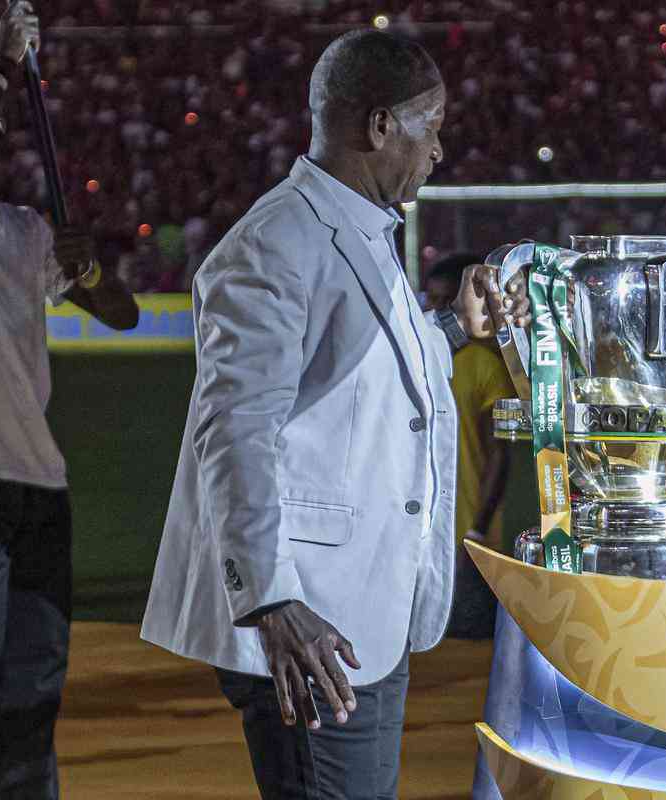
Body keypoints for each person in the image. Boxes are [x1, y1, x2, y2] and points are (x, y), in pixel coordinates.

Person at [140, 30, 528, 799]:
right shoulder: (274, 245)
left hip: (362, 615)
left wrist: (453, 328)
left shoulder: (360, 227)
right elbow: (235, 431)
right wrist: (274, 601)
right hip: (310, 622)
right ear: (381, 127)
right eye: (434, 125)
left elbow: (359, 374)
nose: (442, 150)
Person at [0, 3, 139, 797]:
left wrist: (92, 271)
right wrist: (2, 65)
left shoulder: (28, 230)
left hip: (40, 493)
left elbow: (122, 313)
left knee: (32, 704)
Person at [422, 253, 517, 639]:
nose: (443, 310)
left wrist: (479, 526)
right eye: (434, 301)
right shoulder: (420, 360)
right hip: (428, 525)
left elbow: (500, 450)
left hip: (473, 530)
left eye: (449, 300)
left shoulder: (483, 364)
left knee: (469, 643)